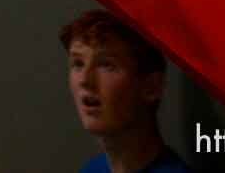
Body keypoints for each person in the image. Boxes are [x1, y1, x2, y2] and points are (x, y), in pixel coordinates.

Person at [62, 10, 193, 173]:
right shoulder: (92, 169)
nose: (84, 80)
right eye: (78, 63)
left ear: (152, 87)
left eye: (106, 65)